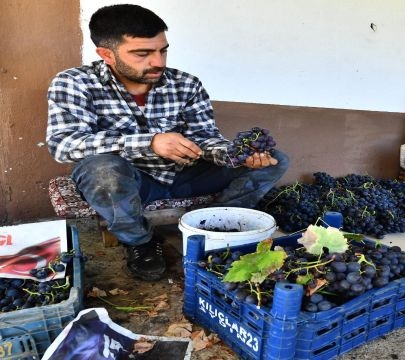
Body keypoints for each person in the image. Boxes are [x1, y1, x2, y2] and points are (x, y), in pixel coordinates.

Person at [46, 4, 289, 281]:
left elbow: (205, 138)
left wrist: (236, 155)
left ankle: (209, 221)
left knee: (275, 160)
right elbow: (64, 145)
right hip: (133, 181)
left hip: (185, 173)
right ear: (106, 54)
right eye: (142, 53)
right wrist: (150, 142)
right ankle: (140, 242)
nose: (158, 62)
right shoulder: (74, 83)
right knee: (102, 170)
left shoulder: (186, 84)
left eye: (162, 50)